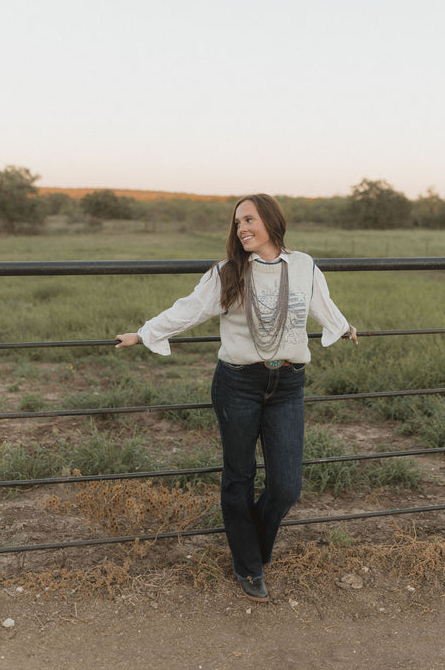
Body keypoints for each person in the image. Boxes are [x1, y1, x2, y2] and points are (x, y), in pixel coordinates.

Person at [115, 193, 358, 602]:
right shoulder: (228, 272)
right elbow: (188, 309)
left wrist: (343, 325)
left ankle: (251, 544)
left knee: (286, 486)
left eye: (249, 220)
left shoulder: (304, 266)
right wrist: (146, 332)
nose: (242, 228)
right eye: (237, 223)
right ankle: (249, 565)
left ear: (271, 220)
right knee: (239, 476)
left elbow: (321, 304)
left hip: (288, 384)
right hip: (238, 384)